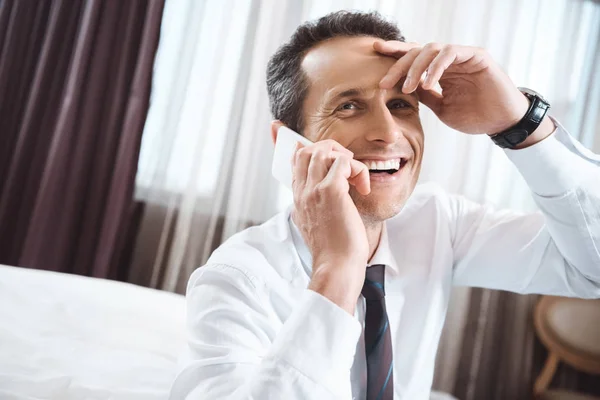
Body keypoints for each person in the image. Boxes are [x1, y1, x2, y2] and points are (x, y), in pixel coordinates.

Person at [169, 10, 600, 400]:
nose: (388, 133)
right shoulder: (236, 279)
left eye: (400, 105)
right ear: (287, 144)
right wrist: (337, 270)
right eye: (349, 105)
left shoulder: (438, 222)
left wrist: (520, 122)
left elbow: (592, 270)